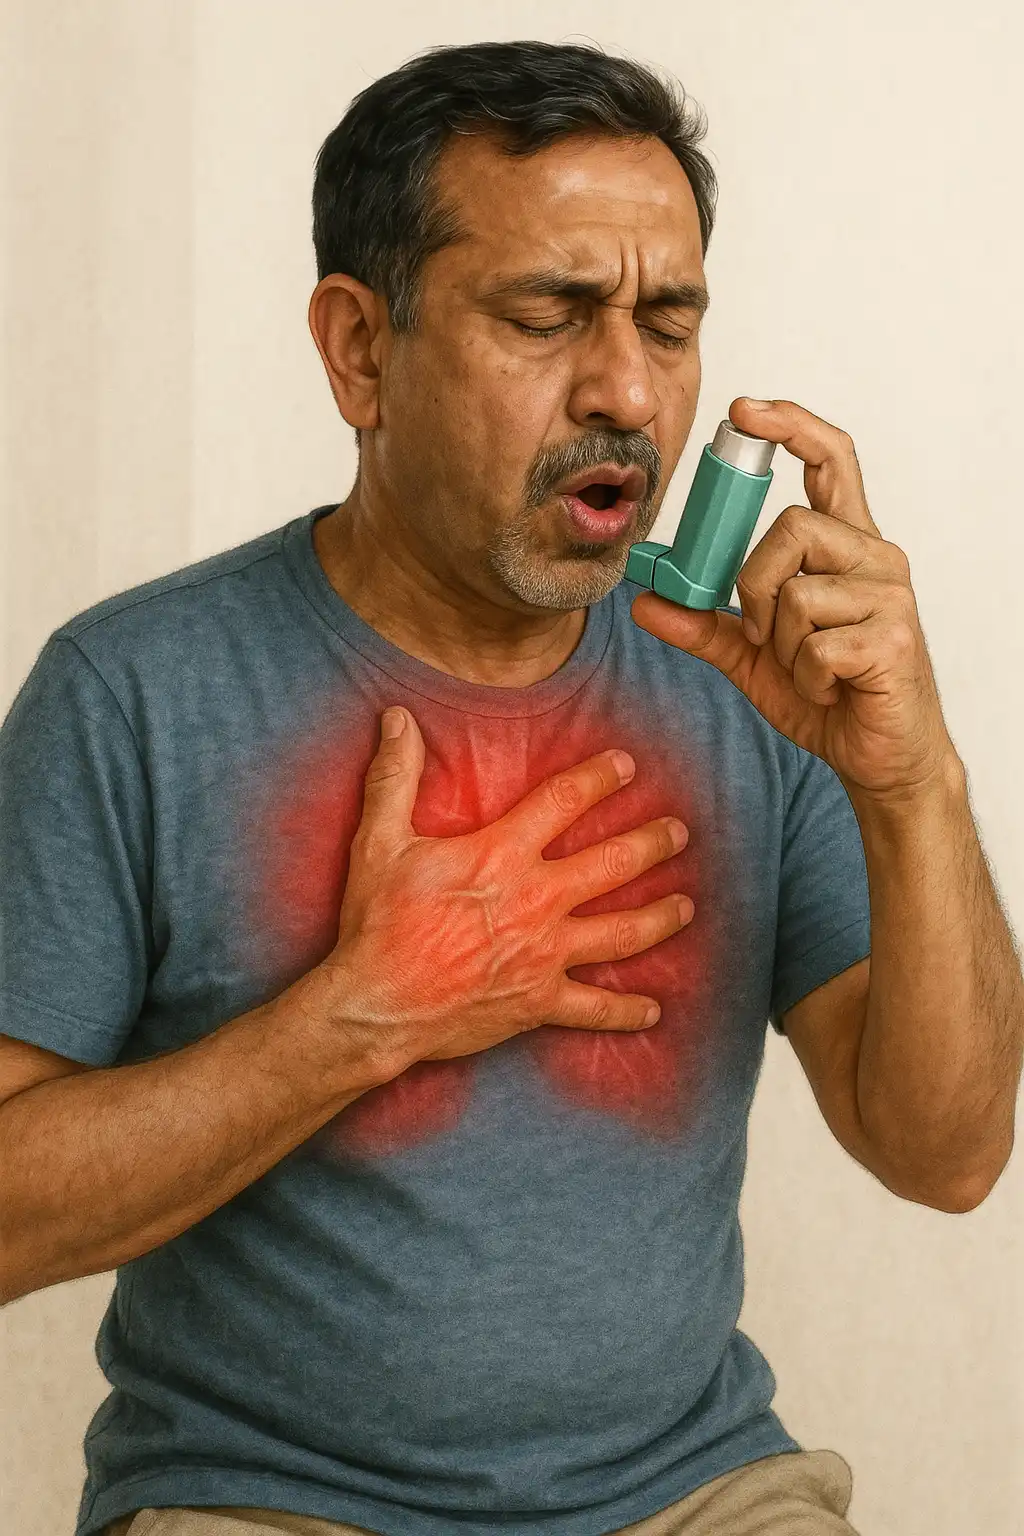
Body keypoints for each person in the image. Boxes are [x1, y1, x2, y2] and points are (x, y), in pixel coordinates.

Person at [1, 37, 1020, 1536]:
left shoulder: (747, 684)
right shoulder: (132, 689)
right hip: (274, 1504)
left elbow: (947, 1155)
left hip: (693, 1494)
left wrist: (912, 773)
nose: (627, 389)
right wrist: (362, 1017)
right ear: (359, 348)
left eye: (669, 325)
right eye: (547, 317)